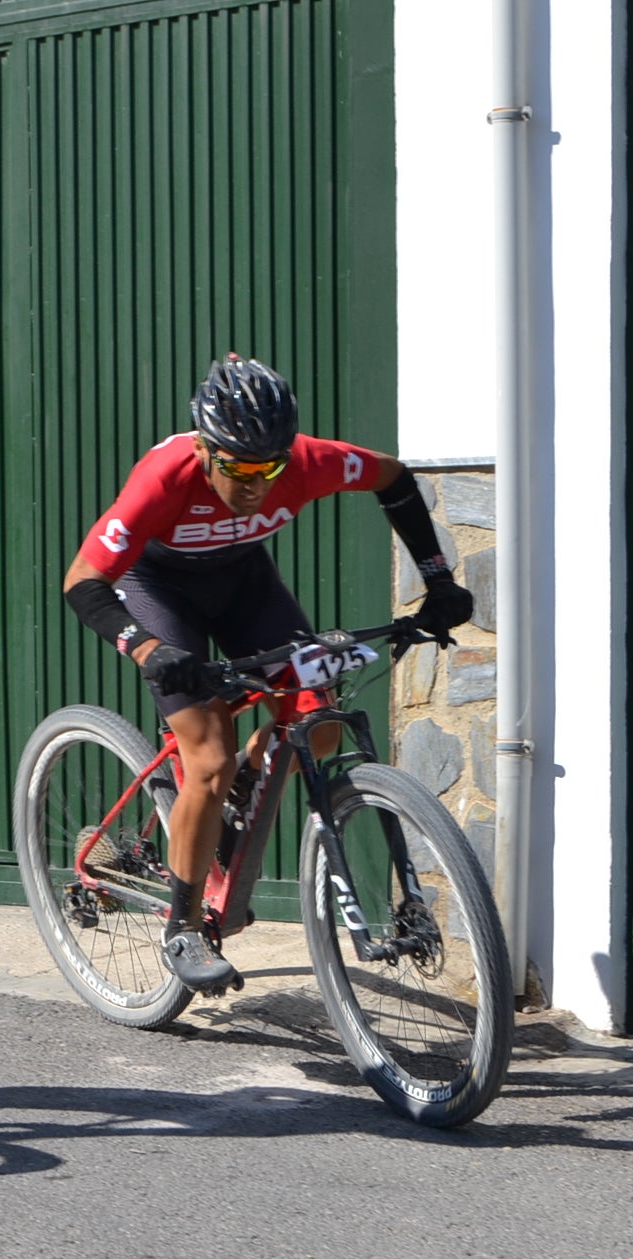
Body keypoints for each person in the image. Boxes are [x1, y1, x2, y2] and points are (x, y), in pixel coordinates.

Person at [60, 354, 474, 995]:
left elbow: (394, 480)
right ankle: (184, 923)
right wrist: (145, 649)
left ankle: (245, 782)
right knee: (208, 756)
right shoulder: (163, 475)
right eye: (239, 468)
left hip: (242, 582)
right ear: (204, 447)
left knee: (317, 719)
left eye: (271, 467)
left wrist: (439, 579)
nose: (256, 484)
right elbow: (83, 581)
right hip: (156, 587)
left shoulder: (310, 460)